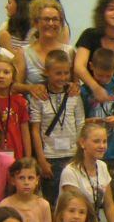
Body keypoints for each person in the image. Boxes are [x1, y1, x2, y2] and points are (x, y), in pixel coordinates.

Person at [81, 47, 114, 210]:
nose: (104, 79)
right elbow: (79, 121)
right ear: (91, 66)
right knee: (94, 193)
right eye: (100, 75)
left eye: (108, 75)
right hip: (94, 151)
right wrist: (91, 121)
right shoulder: (85, 90)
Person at [29, 49, 85, 209]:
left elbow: (81, 124)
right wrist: (41, 159)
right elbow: (35, 130)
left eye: (66, 73)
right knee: (52, 202)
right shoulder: (39, 97)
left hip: (72, 155)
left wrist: (80, 154)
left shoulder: (74, 94)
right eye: (58, 73)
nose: (63, 77)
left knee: (73, 200)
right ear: (46, 72)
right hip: (50, 157)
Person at [0, 157, 53, 222]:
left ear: (37, 180)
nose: (26, 182)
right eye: (21, 178)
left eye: (30, 178)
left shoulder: (43, 205)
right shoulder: (5, 205)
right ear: (13, 180)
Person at [23, 0, 75, 90]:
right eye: (46, 19)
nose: (51, 23)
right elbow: (14, 87)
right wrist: (30, 88)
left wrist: (74, 87)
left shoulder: (69, 51)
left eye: (55, 19)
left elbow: (75, 83)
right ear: (36, 23)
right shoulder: (24, 53)